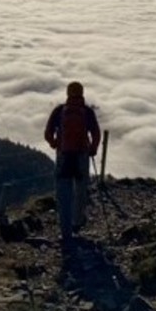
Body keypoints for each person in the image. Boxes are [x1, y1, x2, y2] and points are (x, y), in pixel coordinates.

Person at [44, 81, 101, 246]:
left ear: (68, 93)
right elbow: (96, 133)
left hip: (64, 155)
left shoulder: (59, 111)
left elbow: (48, 133)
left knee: (64, 193)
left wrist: (55, 143)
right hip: (81, 156)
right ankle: (77, 223)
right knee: (80, 190)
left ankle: (65, 230)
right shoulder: (87, 112)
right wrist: (93, 148)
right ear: (82, 93)